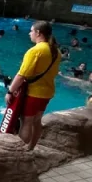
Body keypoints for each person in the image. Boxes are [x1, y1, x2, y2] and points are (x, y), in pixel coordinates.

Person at [8, 20, 62, 150]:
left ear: (38, 33)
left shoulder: (35, 51)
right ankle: (31, 147)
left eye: (31, 31)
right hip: (47, 92)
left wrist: (10, 91)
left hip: (33, 93)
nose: (29, 33)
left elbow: (22, 75)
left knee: (26, 122)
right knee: (37, 121)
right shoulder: (56, 51)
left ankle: (19, 151)